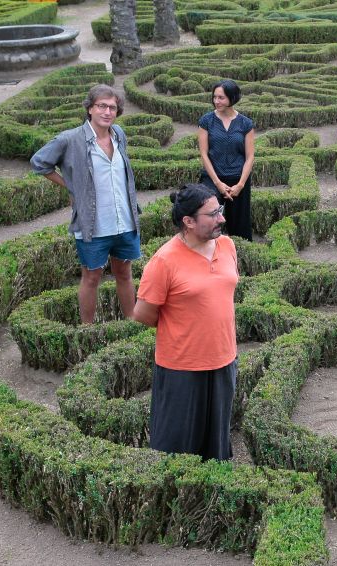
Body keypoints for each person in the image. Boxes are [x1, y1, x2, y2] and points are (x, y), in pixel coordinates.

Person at [132, 184, 239, 461]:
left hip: (224, 359)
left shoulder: (227, 246)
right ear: (188, 222)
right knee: (176, 447)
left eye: (220, 210)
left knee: (216, 444)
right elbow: (143, 313)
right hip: (182, 366)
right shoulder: (164, 261)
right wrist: (182, 327)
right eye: (213, 214)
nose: (222, 219)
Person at [31, 84, 140, 324]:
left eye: (112, 107)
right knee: (91, 277)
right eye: (102, 106)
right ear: (90, 108)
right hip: (93, 224)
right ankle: (87, 329)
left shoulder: (119, 134)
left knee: (124, 273)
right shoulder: (70, 139)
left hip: (124, 219)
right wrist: (71, 186)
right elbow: (40, 163)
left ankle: (132, 321)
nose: (107, 112)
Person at [198, 79, 255, 241]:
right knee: (209, 220)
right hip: (213, 178)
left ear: (232, 97)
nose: (216, 101)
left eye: (221, 97)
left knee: (240, 225)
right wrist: (218, 184)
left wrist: (240, 185)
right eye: (214, 97)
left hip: (238, 178)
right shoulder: (206, 121)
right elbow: (204, 154)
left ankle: (241, 258)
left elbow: (250, 156)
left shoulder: (245, 123)